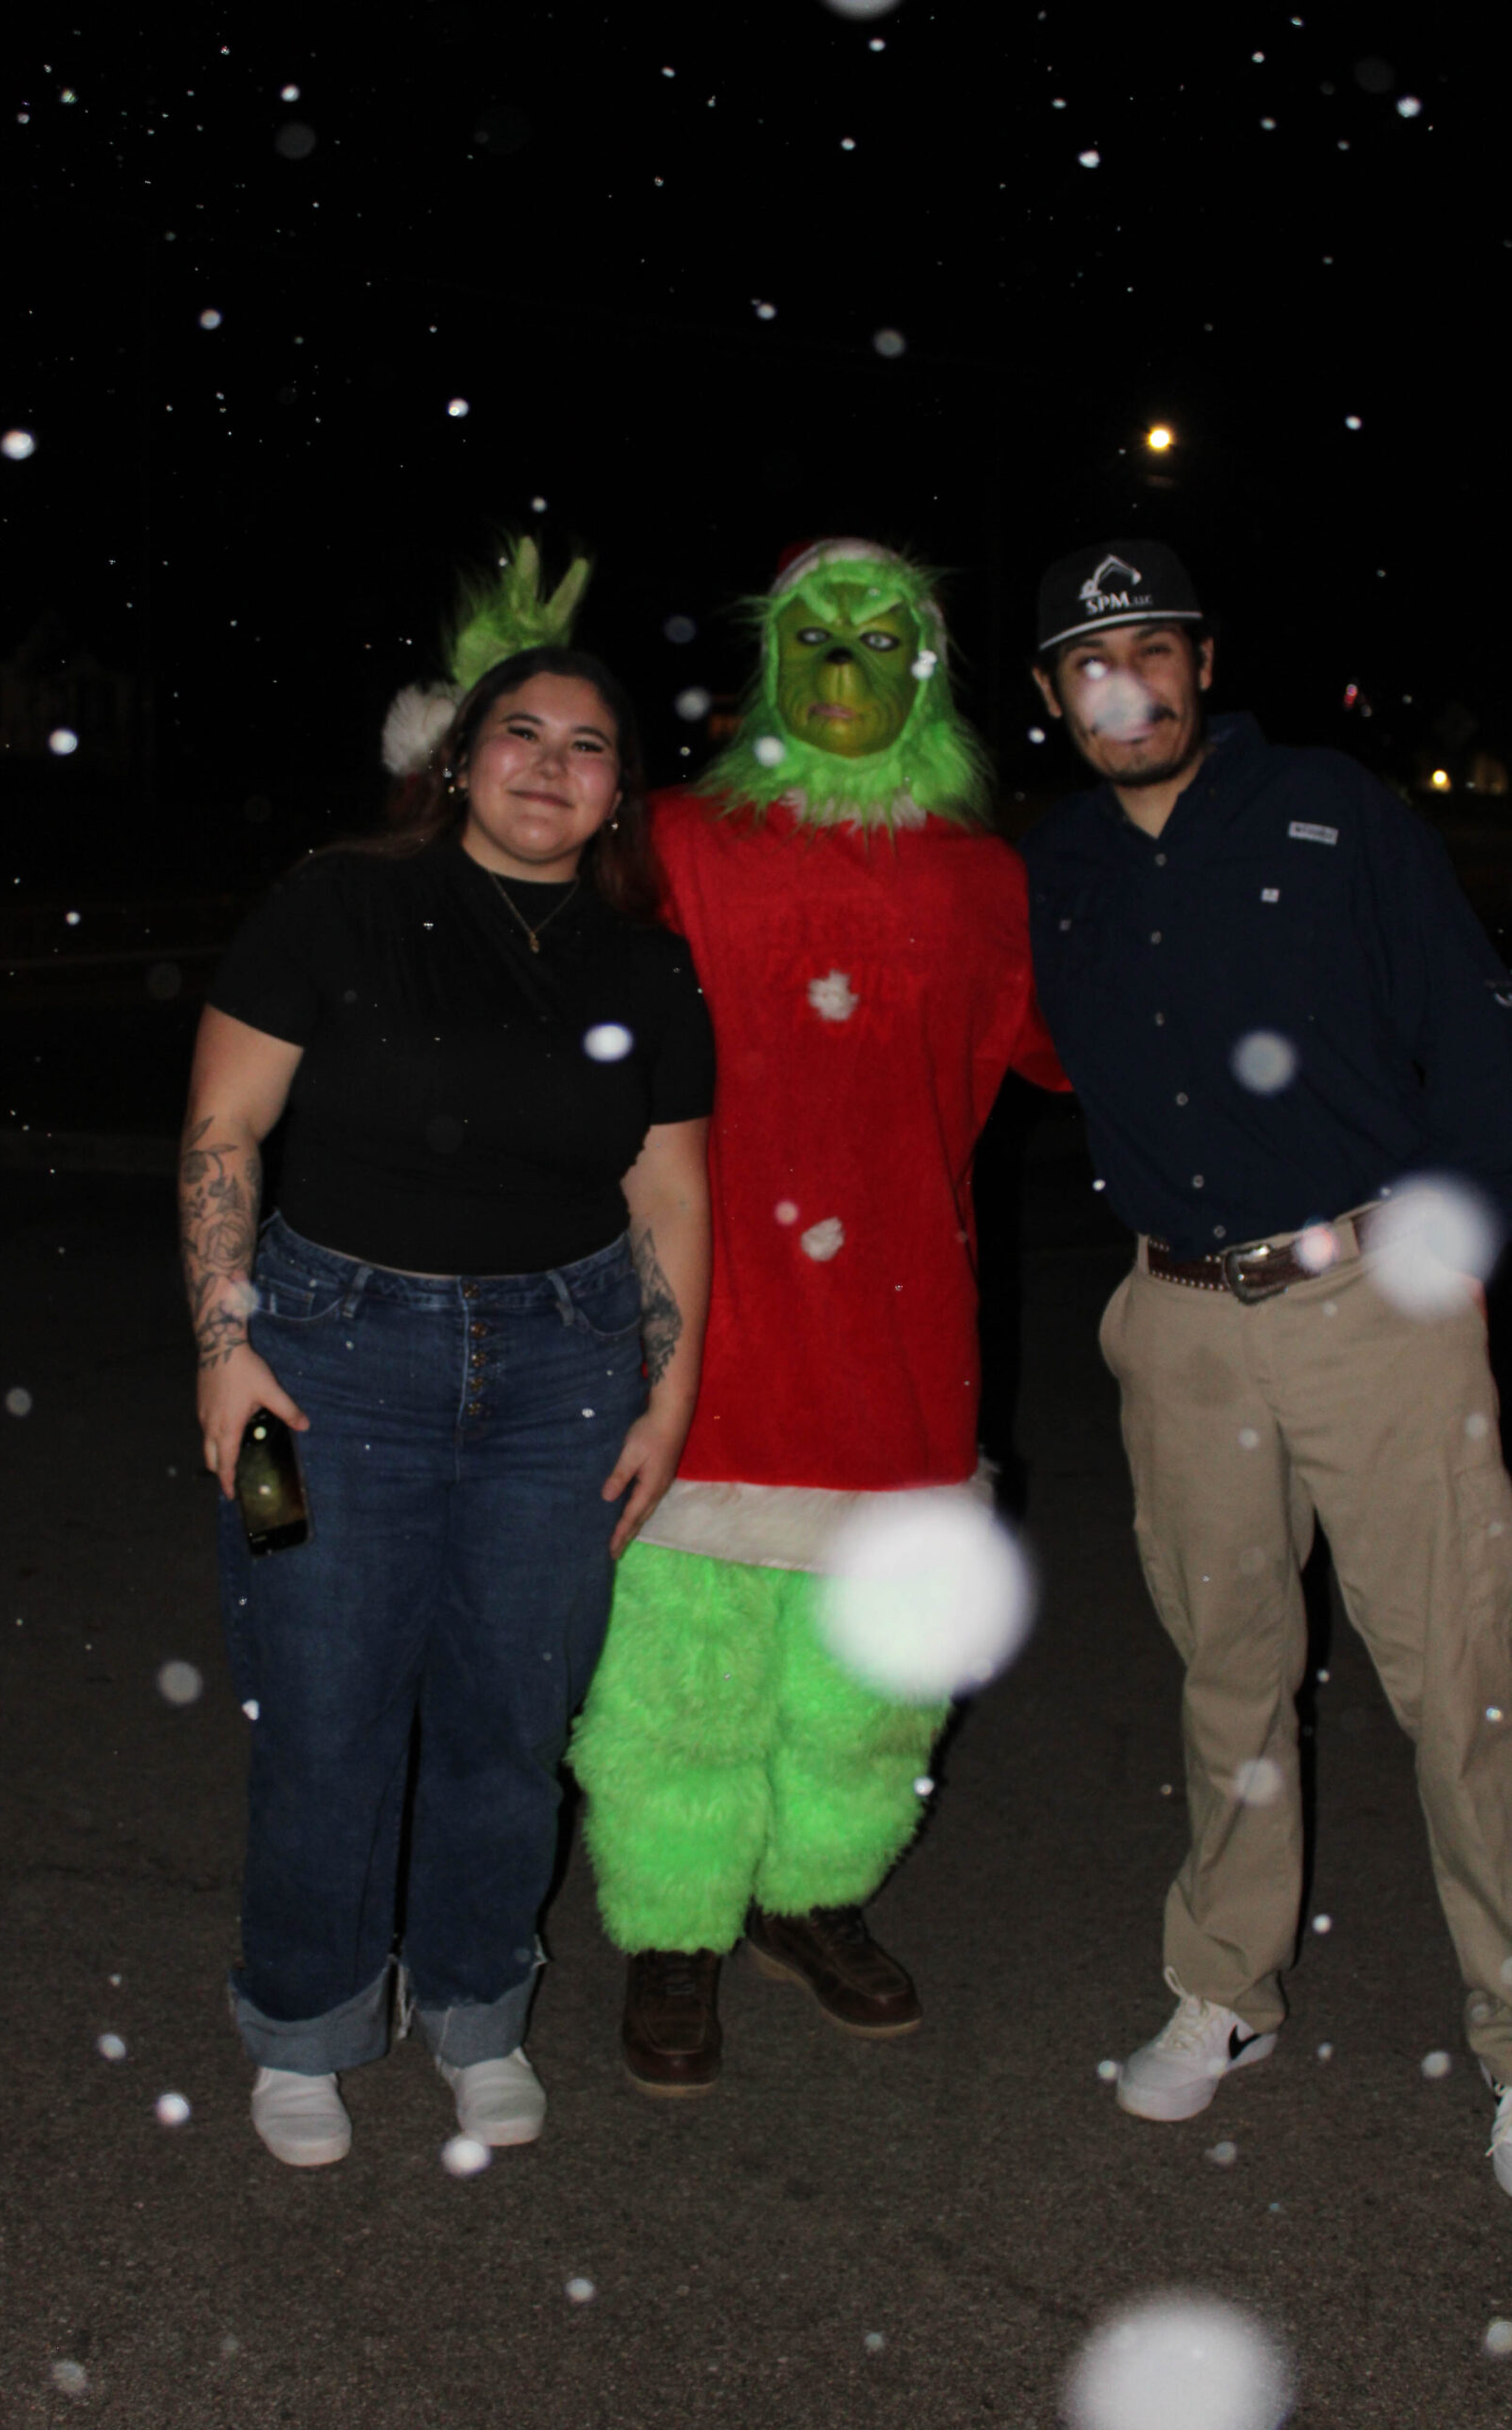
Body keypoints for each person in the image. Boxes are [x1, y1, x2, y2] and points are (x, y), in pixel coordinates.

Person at [181, 621, 714, 2167]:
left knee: (511, 1720)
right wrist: (224, 1347)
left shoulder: (645, 962)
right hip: (318, 1364)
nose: (551, 765)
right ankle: (306, 2019)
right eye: (522, 733)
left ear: (618, 792)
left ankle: (478, 2005)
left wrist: (667, 1399)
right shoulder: (339, 902)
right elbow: (223, 1128)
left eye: (588, 745)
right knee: (319, 1712)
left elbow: (669, 1192)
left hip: (566, 1375)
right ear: (462, 757)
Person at [1019, 536, 1512, 2194]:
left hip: (1371, 1295)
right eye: (1091, 664)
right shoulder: (1057, 863)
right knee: (1226, 1667)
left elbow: (1474, 1022)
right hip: (1178, 1320)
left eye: (1154, 649)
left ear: (1204, 664)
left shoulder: (1328, 808)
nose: (1127, 687)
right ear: (1052, 696)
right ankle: (1227, 1985)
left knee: (1461, 1677)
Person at [570, 537, 1066, 2093]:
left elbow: (1104, 1037)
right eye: (814, 634)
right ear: (770, 659)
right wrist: (469, 720)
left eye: (878, 634)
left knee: (872, 1680)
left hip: (901, 1346)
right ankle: (673, 1924)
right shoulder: (671, 844)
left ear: (930, 668)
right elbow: (495, 888)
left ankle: (810, 1896)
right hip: (705, 1336)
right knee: (680, 1675)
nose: (844, 661)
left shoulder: (986, 881)